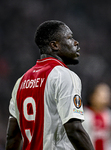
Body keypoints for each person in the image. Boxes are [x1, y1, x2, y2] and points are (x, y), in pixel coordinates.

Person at [5, 20, 94, 150]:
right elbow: (74, 130)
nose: (76, 42)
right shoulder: (63, 76)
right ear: (54, 45)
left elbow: (12, 136)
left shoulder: (21, 81)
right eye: (70, 38)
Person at [83, 83, 111, 150]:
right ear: (92, 96)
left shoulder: (109, 115)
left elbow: (108, 140)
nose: (106, 96)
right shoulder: (85, 115)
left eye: (107, 93)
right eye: (102, 93)